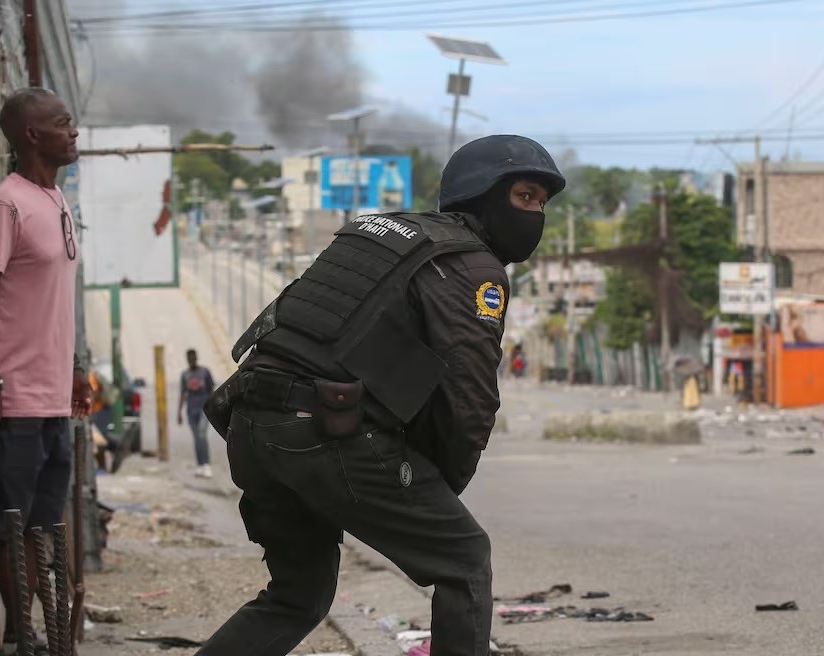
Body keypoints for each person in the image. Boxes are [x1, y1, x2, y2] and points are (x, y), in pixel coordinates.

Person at [195, 135, 565, 656]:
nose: (535, 214)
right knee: (463, 558)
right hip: (323, 433)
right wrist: (440, 486)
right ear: (482, 194)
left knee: (298, 595)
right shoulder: (475, 268)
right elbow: (469, 398)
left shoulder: (380, 233)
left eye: (541, 203)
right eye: (524, 197)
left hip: (250, 425)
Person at [0, 87, 90, 653]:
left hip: (52, 399)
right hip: (10, 401)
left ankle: (39, 632)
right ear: (32, 135)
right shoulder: (6, 203)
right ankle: (21, 633)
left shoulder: (55, 200)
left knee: (42, 523)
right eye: (63, 124)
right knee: (9, 525)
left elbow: (52, 302)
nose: (74, 131)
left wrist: (75, 368)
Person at [178, 348, 216, 478]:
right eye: (189, 358)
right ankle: (200, 464)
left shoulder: (204, 372)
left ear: (196, 358)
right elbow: (183, 393)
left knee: (201, 434)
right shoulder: (185, 375)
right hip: (191, 410)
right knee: (196, 438)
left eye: (193, 358)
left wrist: (213, 407)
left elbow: (212, 390)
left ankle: (206, 464)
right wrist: (179, 412)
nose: (191, 361)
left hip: (203, 409)